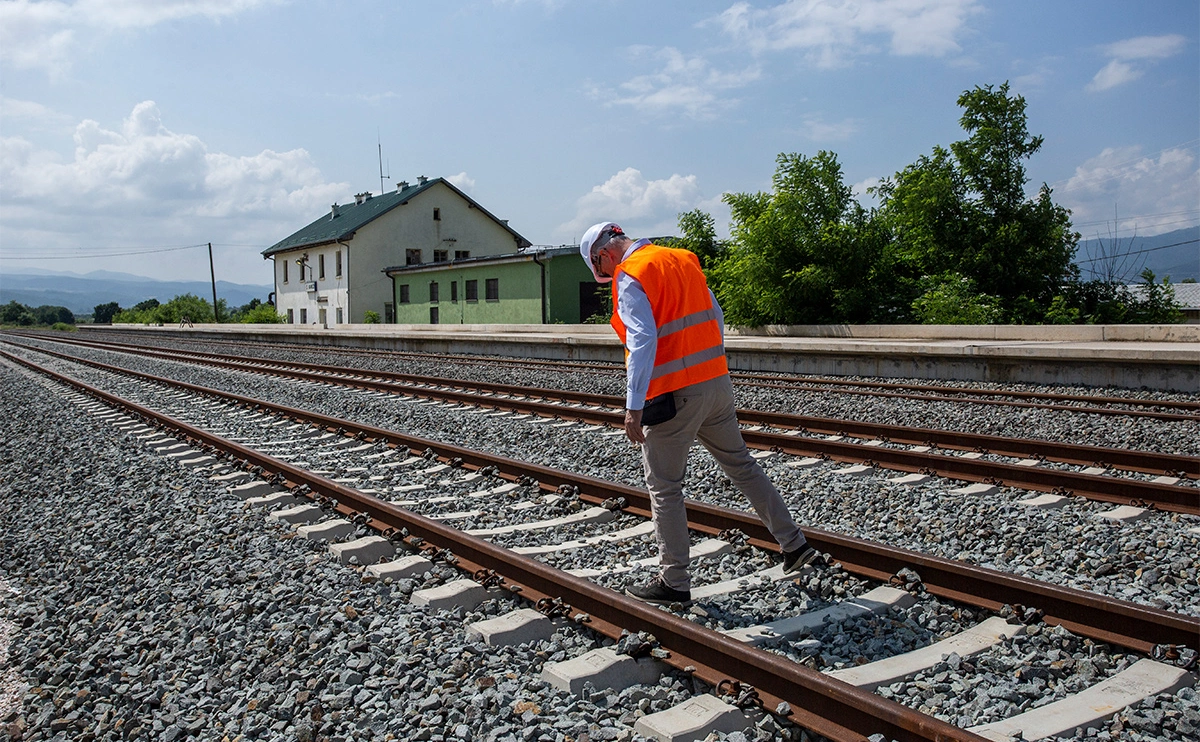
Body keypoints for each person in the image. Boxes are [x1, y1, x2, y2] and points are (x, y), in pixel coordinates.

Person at [579, 221, 821, 606]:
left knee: (664, 487)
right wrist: (709, 366)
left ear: (604, 254)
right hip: (715, 382)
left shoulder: (631, 273)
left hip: (674, 394)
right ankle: (794, 544)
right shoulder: (681, 258)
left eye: (601, 270)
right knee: (742, 465)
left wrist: (633, 407)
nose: (607, 276)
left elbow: (642, 340)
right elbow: (716, 315)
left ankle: (674, 582)